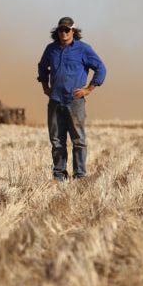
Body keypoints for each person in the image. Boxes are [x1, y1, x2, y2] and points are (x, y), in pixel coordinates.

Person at [37, 17, 106, 181]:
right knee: (56, 141)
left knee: (78, 140)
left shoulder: (83, 49)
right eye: (61, 30)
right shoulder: (51, 49)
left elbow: (101, 68)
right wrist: (45, 87)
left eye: (67, 30)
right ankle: (59, 175)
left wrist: (89, 89)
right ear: (57, 32)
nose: (64, 33)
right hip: (55, 100)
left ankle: (80, 176)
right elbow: (42, 67)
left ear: (73, 31)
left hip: (75, 101)